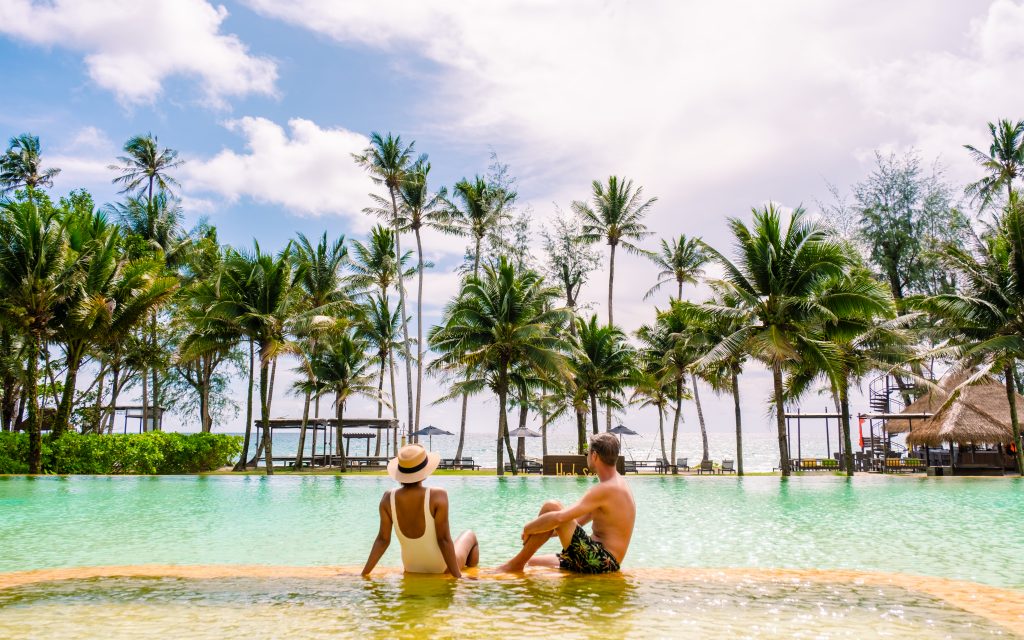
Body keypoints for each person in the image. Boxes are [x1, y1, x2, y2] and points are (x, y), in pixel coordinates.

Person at [498, 432, 635, 574]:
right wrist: (542, 531)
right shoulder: (615, 485)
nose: (587, 456)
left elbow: (560, 518)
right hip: (593, 555)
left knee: (552, 507)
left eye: (587, 453)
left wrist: (528, 528)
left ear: (594, 455)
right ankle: (519, 563)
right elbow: (575, 523)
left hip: (601, 562)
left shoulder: (606, 489)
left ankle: (514, 565)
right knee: (531, 562)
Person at [362, 443, 479, 578]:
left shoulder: (388, 498)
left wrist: (364, 573)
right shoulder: (438, 496)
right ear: (424, 473)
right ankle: (472, 572)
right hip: (441, 568)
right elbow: (444, 540)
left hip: (411, 567)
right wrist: (457, 577)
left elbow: (382, 540)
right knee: (470, 535)